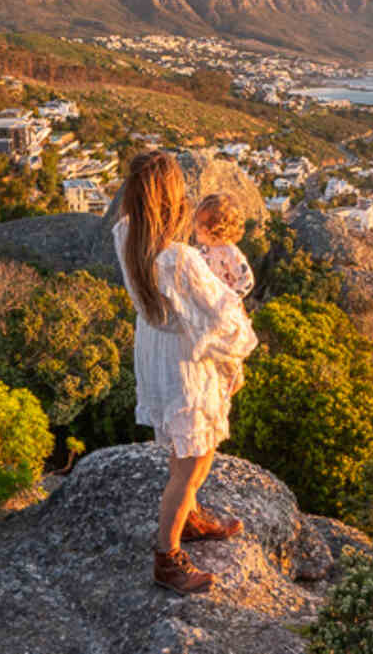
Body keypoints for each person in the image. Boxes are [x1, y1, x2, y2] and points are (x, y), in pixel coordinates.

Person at [111, 151, 258, 595]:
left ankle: (189, 517)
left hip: (160, 355)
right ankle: (168, 556)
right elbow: (223, 317)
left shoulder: (127, 234)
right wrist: (237, 354)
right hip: (188, 366)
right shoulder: (179, 259)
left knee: (187, 447)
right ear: (172, 202)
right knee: (192, 462)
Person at [192, 192, 255, 396]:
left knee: (232, 345)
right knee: (215, 348)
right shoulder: (204, 250)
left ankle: (236, 377)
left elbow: (247, 280)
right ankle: (218, 384)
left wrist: (230, 299)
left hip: (226, 308)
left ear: (215, 229)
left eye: (200, 223)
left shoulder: (230, 252)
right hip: (211, 306)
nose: (195, 226)